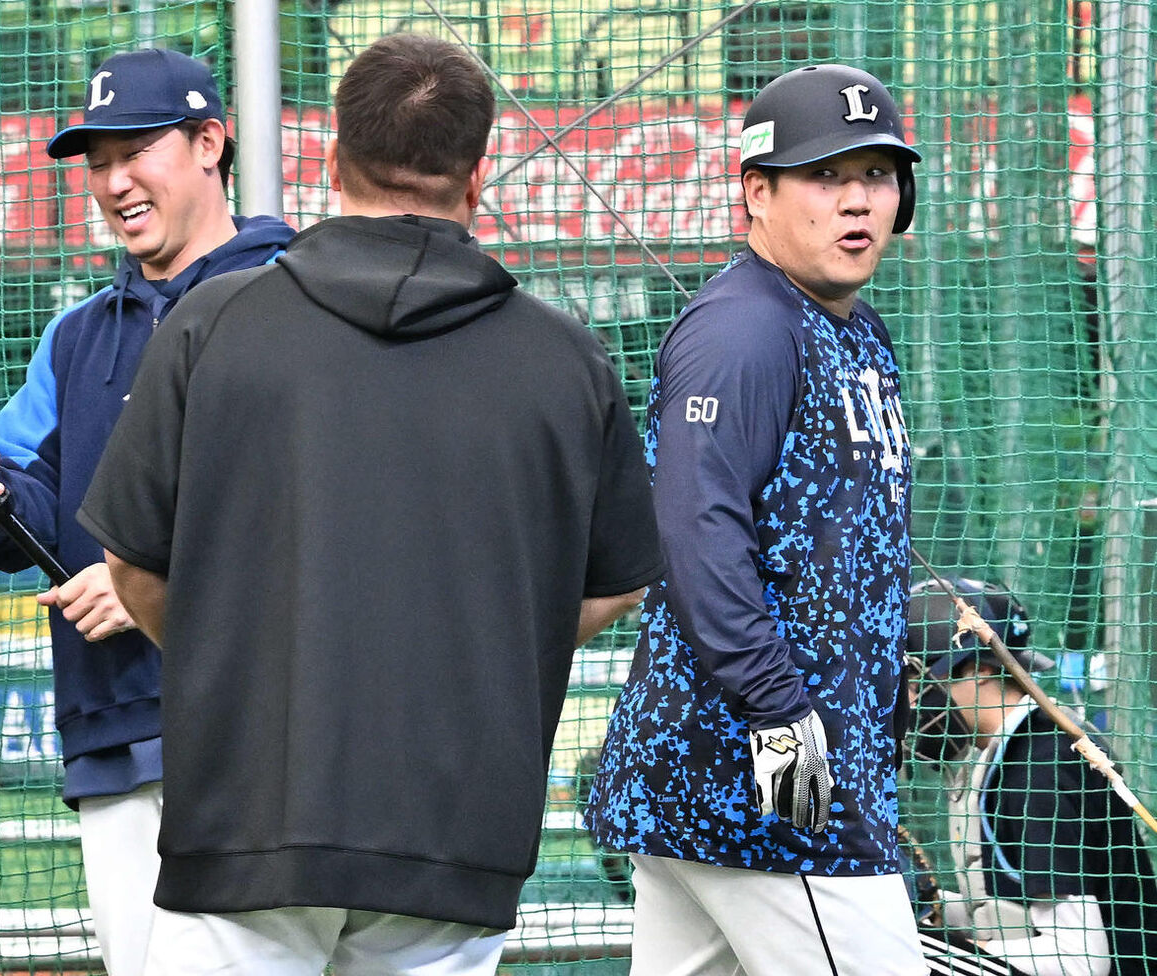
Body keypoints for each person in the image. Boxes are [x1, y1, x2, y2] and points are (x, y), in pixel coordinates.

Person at [75, 32, 664, 976]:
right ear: (478, 177)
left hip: (249, 815)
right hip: (456, 829)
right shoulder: (567, 358)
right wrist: (472, 654)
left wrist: (247, 663)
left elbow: (132, 564)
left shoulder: (213, 323)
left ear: (331, 160)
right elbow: (616, 586)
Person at [0, 48, 296, 976]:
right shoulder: (77, 334)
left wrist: (148, 585)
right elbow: (36, 501)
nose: (114, 182)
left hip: (268, 726)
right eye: (98, 162)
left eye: (136, 151)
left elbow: (315, 509)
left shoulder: (297, 297)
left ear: (210, 143)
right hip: (114, 731)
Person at [585, 63, 927, 975]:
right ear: (758, 194)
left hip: (745, 769)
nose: (856, 200)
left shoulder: (854, 328)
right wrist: (777, 712)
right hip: (766, 781)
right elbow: (693, 532)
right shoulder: (743, 329)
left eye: (877, 174)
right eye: (824, 176)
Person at [906, 577, 1157, 976]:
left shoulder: (1040, 766)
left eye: (914, 678)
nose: (908, 700)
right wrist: (923, 906)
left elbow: (1079, 959)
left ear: (978, 668)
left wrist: (937, 951)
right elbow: (1011, 916)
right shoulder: (1019, 748)